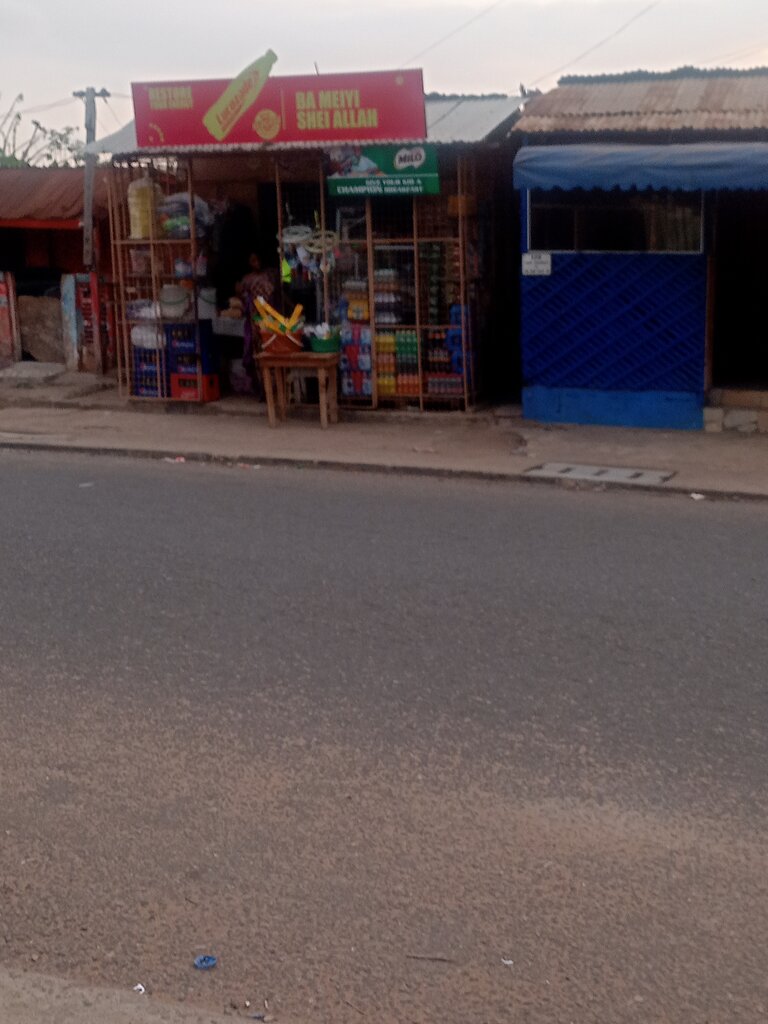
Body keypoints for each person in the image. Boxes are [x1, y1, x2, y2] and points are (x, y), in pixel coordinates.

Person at [237, 252, 279, 398]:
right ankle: (263, 390)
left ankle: (271, 389)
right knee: (259, 357)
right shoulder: (248, 279)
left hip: (269, 320)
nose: (256, 263)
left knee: (270, 355)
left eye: (257, 260)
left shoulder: (268, 275)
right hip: (257, 323)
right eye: (253, 261)